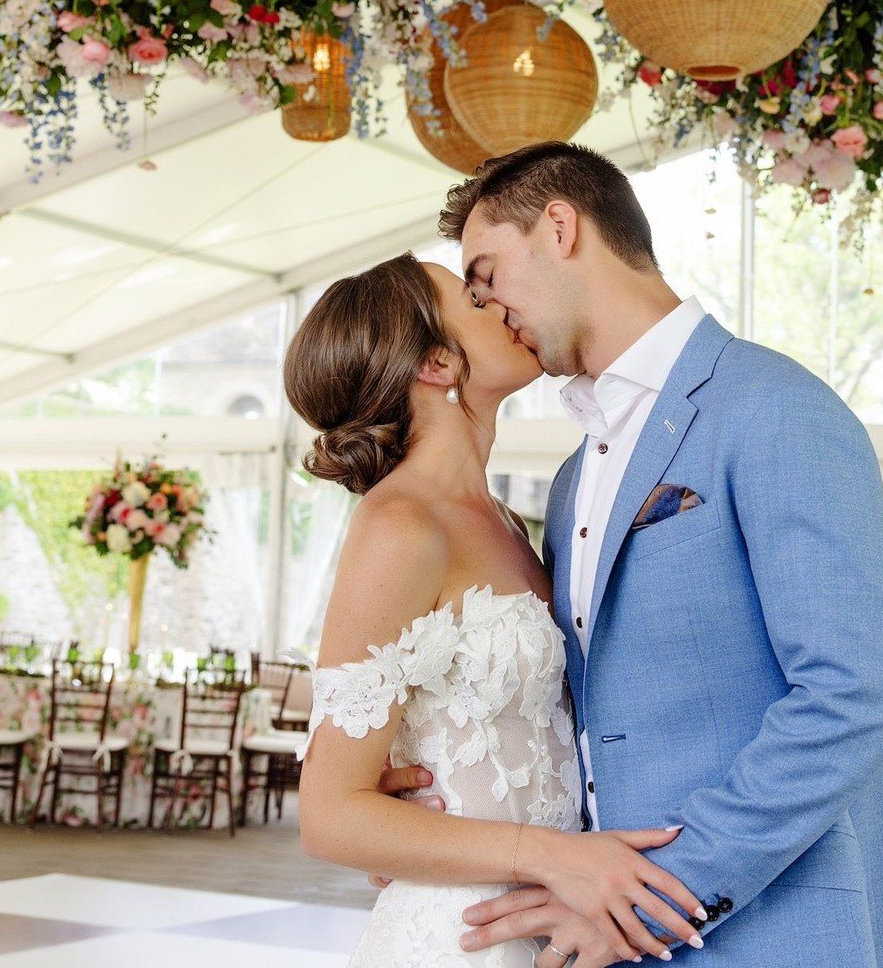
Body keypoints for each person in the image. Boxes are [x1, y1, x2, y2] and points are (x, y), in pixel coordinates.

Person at [432, 142, 883, 968]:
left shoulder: (774, 407)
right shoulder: (569, 479)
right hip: (610, 937)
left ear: (559, 227)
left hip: (779, 934)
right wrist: (436, 799)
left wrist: (662, 897)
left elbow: (854, 695)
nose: (484, 304)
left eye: (486, 273)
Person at [284, 250, 707, 968]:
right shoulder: (399, 525)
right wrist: (549, 854)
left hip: (558, 920)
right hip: (462, 934)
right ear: (438, 364)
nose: (504, 301)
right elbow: (328, 814)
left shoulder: (510, 521)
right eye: (475, 301)